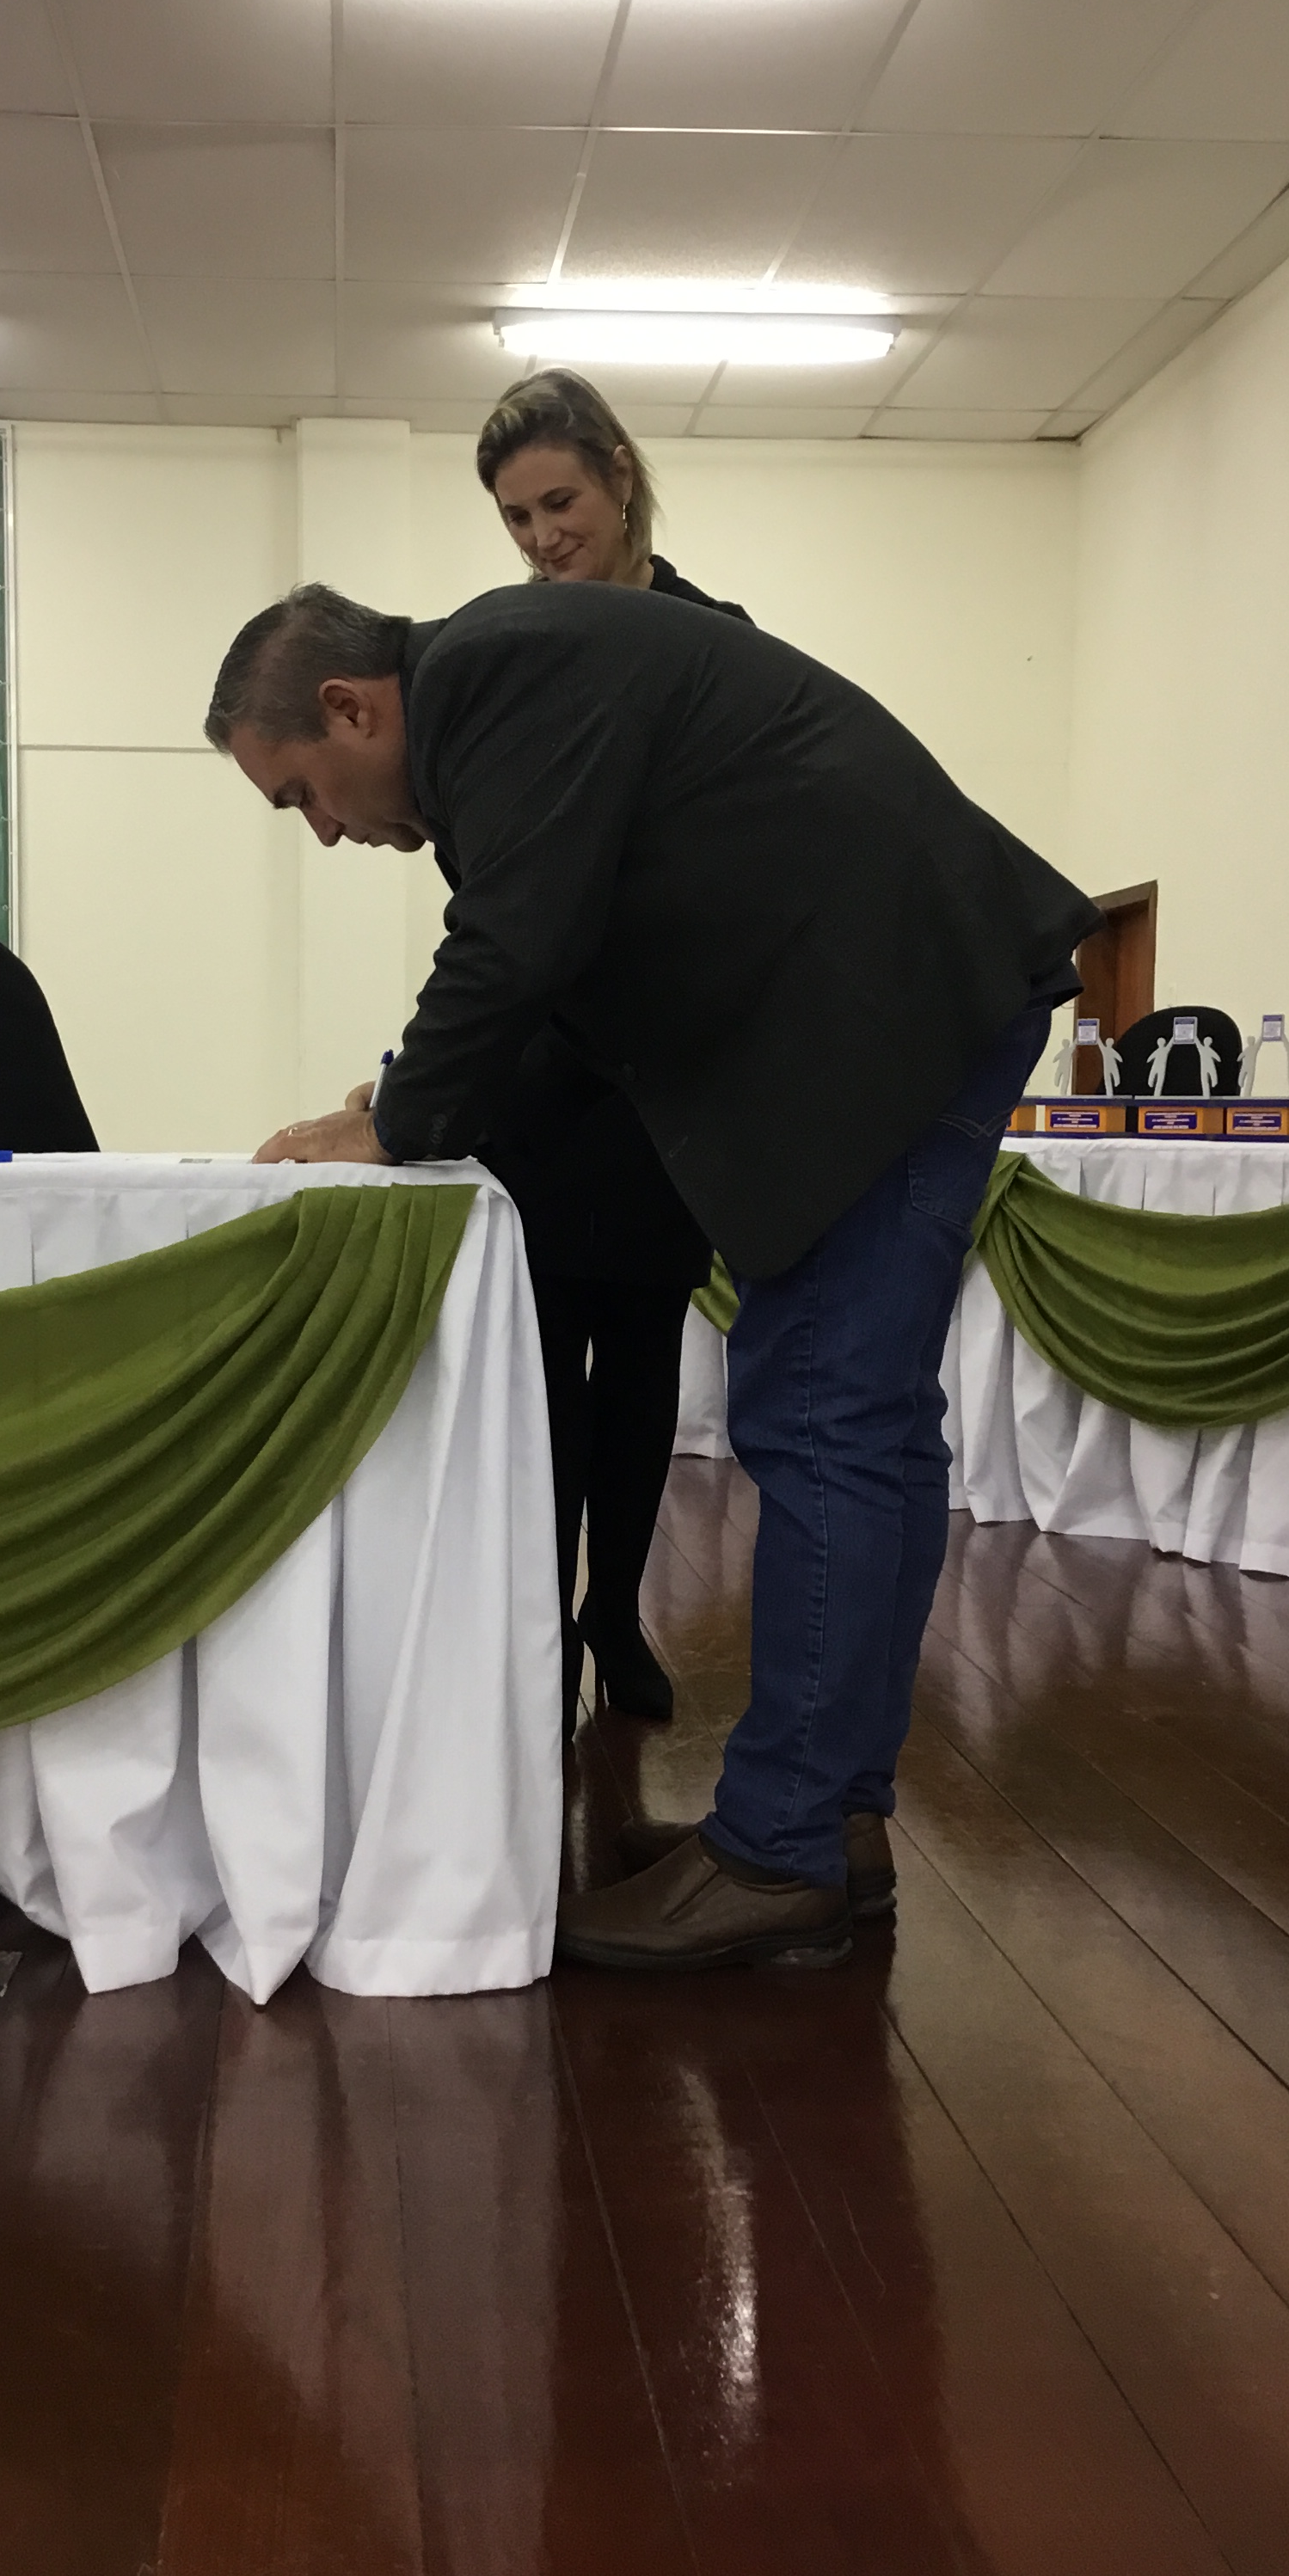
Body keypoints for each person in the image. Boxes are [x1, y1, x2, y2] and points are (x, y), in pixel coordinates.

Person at [206, 580, 1095, 1974]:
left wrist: (403, 1116)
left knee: (825, 1416)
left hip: (891, 1007)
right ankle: (831, 1818)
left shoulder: (489, 679)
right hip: (904, 996)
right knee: (861, 1422)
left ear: (348, 707)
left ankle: (782, 1849)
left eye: (300, 794)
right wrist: (417, 1097)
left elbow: (514, 947)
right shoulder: (515, 692)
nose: (323, 829)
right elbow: (567, 994)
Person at [471, 368, 740, 1737]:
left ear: (622, 477)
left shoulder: (716, 645)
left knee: (639, 1371)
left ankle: (614, 1614)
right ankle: (538, 1625)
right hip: (538, 1081)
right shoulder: (519, 648)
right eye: (517, 519)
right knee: (541, 1385)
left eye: (558, 503)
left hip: (649, 1085)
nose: (542, 538)